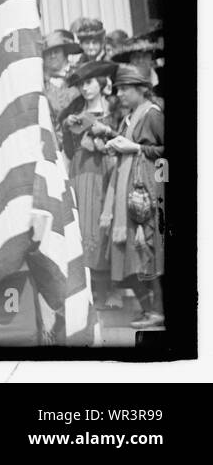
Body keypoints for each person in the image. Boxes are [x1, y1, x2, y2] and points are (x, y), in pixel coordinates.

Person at [101, 63, 165, 330]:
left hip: (144, 193)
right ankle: (148, 308)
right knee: (126, 256)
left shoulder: (151, 114)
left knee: (145, 252)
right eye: (118, 89)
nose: (121, 94)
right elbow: (132, 149)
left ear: (141, 89)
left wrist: (135, 147)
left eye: (126, 89)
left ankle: (157, 311)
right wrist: (115, 142)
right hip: (126, 193)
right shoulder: (129, 118)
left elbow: (163, 151)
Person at [57, 59, 120, 308]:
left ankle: (109, 289)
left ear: (101, 83)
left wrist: (100, 137)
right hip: (80, 173)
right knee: (82, 227)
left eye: (90, 82)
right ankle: (87, 290)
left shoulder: (113, 113)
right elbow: (69, 149)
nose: (85, 88)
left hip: (105, 174)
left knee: (103, 227)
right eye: (81, 84)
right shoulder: (74, 114)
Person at [42, 29, 82, 126]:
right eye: (48, 53)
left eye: (56, 51)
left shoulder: (80, 74)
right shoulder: (40, 83)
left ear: (65, 53)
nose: (52, 56)